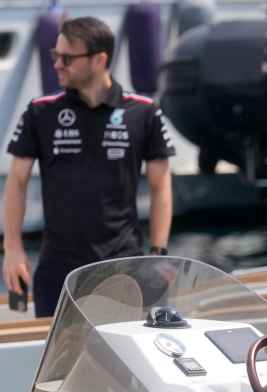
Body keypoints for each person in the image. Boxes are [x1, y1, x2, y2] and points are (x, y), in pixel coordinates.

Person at [3, 16, 175, 317]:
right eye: (55, 56)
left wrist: (158, 254)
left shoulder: (143, 113)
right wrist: (13, 249)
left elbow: (161, 186)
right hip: (58, 270)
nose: (57, 64)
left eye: (67, 58)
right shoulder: (41, 112)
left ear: (99, 60)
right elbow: (17, 182)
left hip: (123, 268)